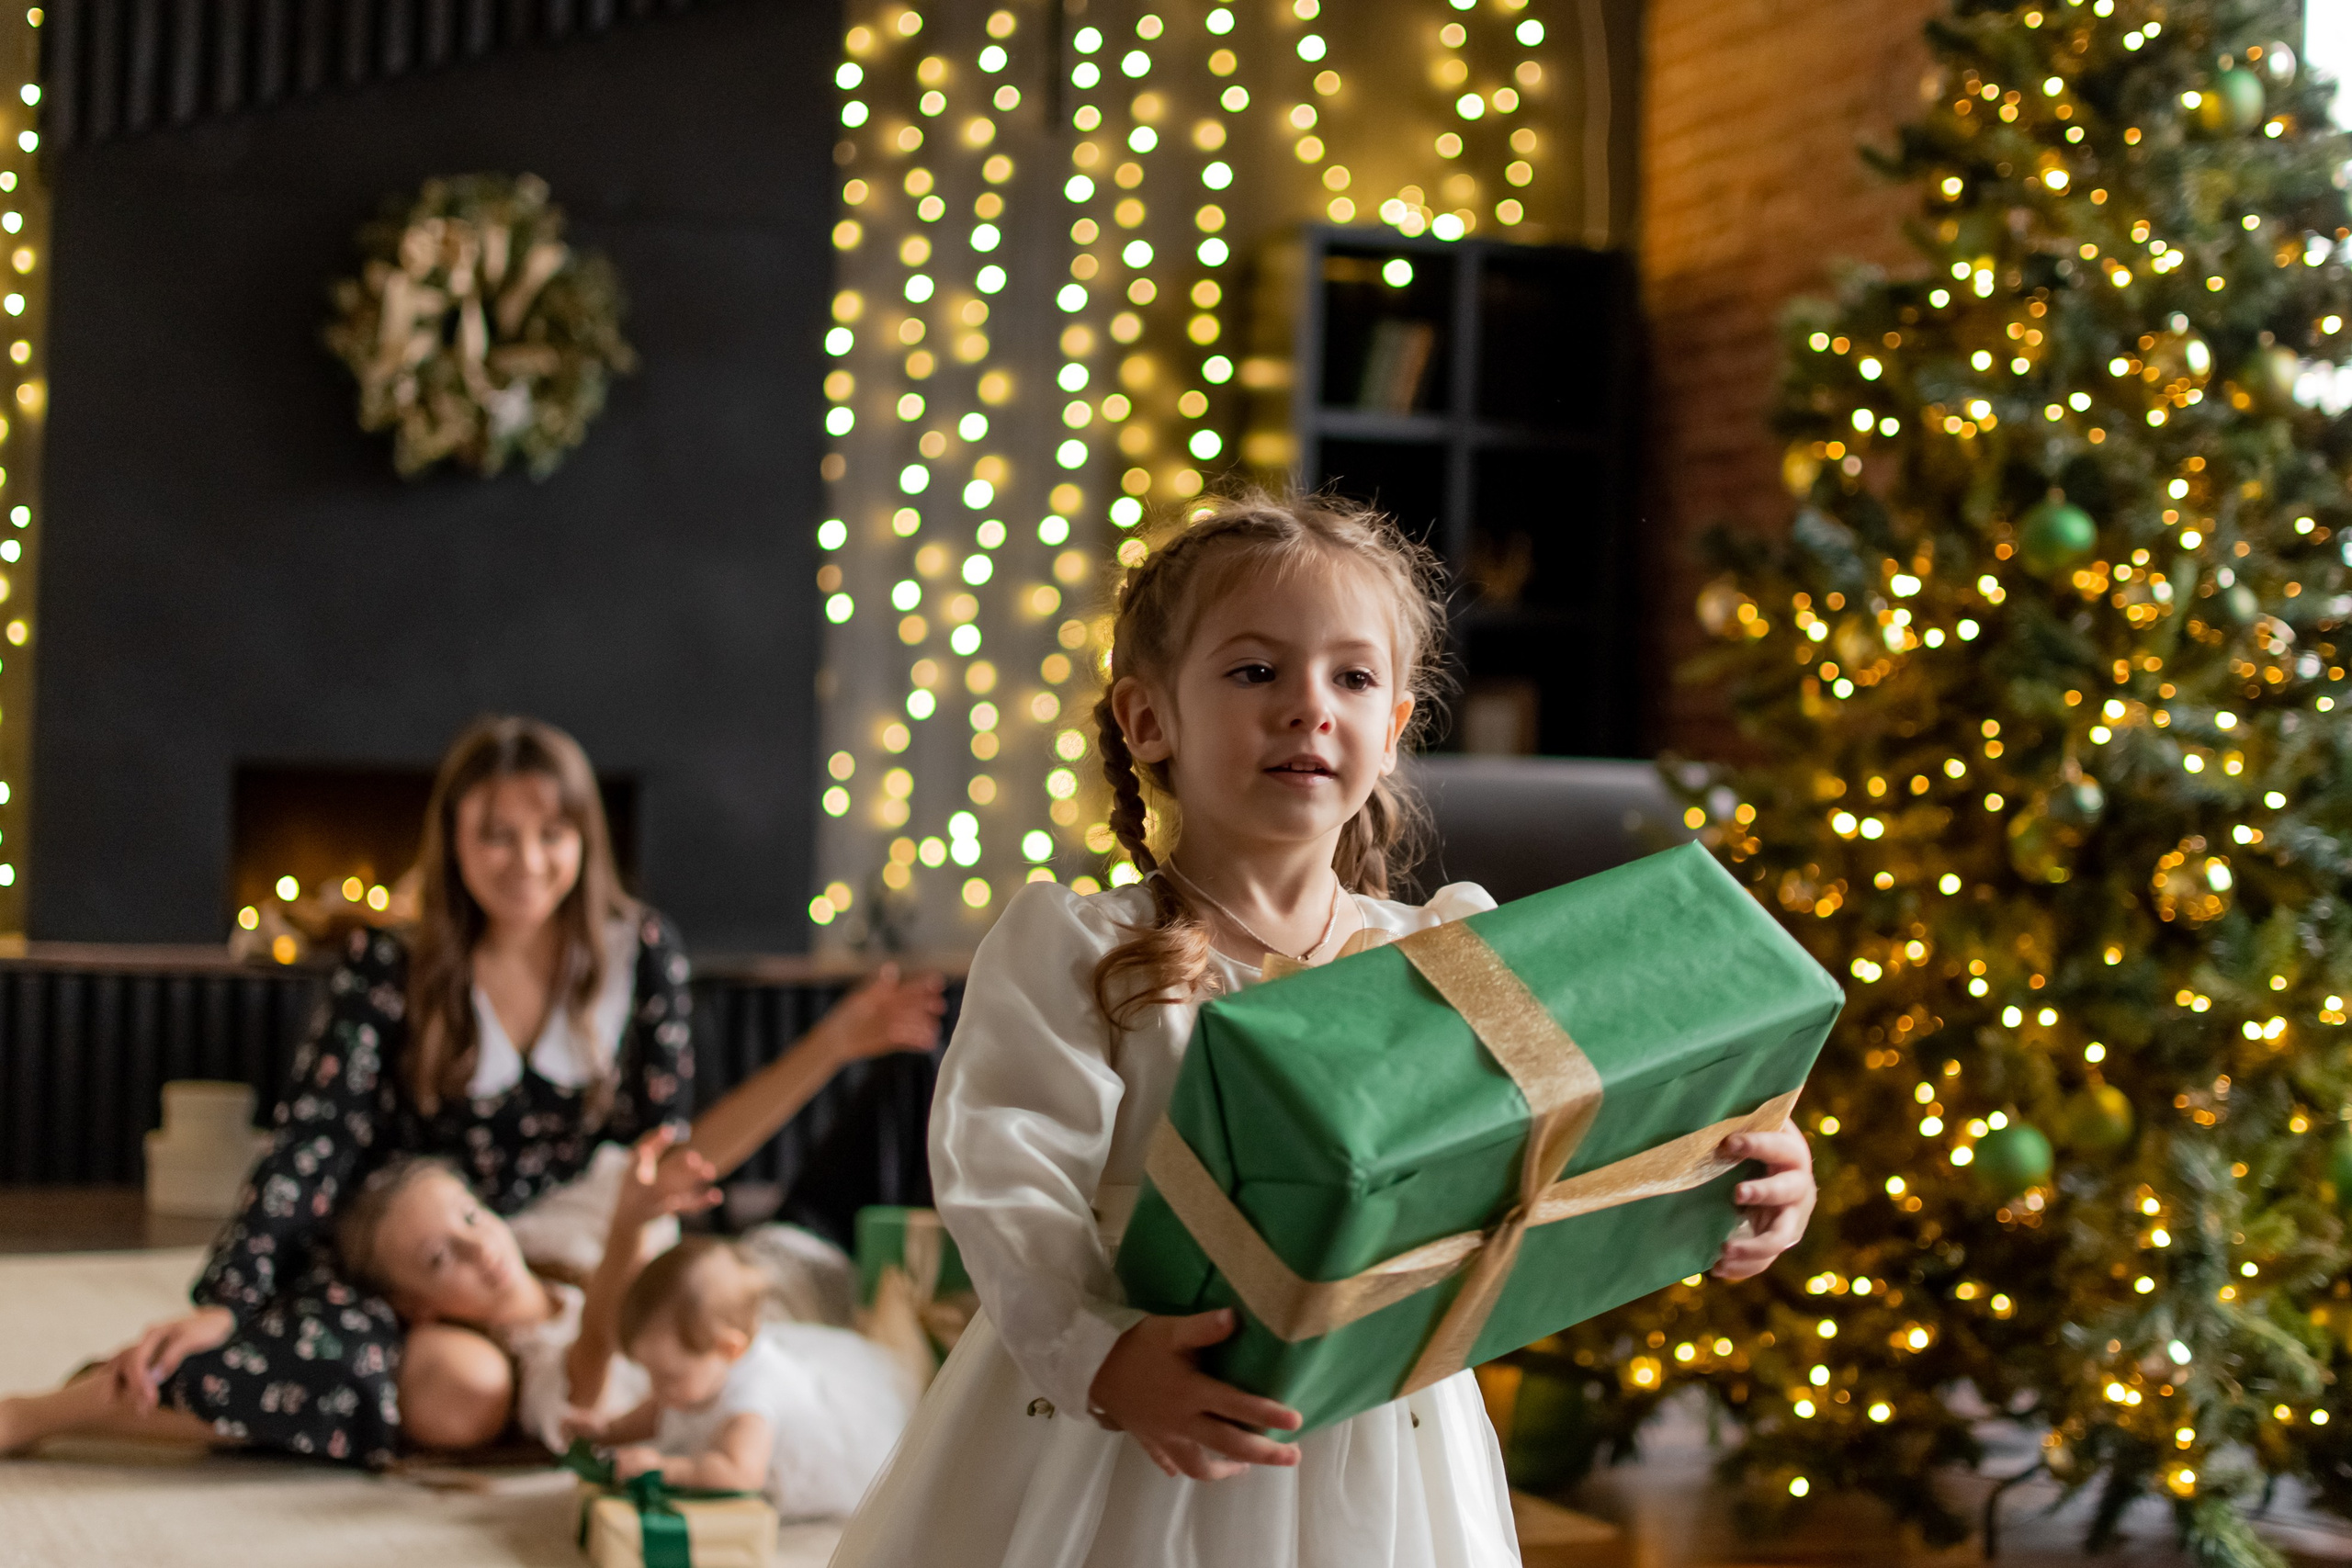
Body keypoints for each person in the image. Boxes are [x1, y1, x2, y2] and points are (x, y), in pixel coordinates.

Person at [829, 494, 1821, 1568]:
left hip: (1383, 1438)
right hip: (1135, 1408)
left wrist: (1730, 1181)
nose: (1309, 707)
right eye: (1256, 671)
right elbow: (1005, 1182)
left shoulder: (1450, 958)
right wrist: (1105, 1360)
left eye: (1351, 678)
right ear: (1148, 719)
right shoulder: (1075, 950)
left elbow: (1567, 1148)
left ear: (1391, 731)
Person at [0, 716, 944, 1466]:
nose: (525, 860)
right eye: (495, 834)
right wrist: (229, 1296)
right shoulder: (388, 968)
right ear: (451, 839)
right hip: (418, 1246)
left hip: (566, 1253)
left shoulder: (638, 953)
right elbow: (311, 1146)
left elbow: (670, 1158)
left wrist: (837, 1042)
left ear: (585, 838)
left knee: (510, 1384)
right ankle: (49, 1410)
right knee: (414, 1380)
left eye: (551, 833)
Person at [568, 1235, 916, 1518]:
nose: (656, 1389)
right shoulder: (702, 1372)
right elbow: (658, 1412)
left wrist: (665, 1468)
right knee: (676, 1400)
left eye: (668, 1376)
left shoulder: (753, 1403)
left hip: (810, 1458)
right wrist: (609, 1430)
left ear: (729, 1349)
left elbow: (740, 1475)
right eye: (649, 1373)